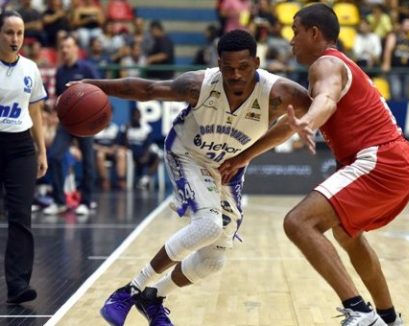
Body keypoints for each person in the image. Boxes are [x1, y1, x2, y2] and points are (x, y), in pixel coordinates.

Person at [71, 29, 311, 325]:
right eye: (228, 68)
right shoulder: (199, 85)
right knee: (208, 225)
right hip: (188, 154)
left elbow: (298, 120)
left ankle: (152, 297)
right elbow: (146, 89)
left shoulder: (279, 94)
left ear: (257, 63)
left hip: (229, 165)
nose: (235, 75)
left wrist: (246, 156)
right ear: (218, 63)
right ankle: (129, 291)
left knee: (214, 259)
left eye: (244, 68)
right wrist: (92, 84)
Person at [220, 4, 409, 326]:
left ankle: (358, 311)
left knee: (298, 222)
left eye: (295, 31)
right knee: (347, 234)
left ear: (314, 33)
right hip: (396, 161)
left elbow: (326, 100)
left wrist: (310, 123)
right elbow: (289, 126)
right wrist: (245, 156)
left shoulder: (325, 64)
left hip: (380, 160)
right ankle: (389, 318)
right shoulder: (333, 68)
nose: (291, 40)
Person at [0, 10, 47, 304]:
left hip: (21, 147)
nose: (15, 38)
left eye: (19, 33)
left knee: (21, 216)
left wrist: (41, 150)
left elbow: (35, 111)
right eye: (9, 32)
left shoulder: (31, 68)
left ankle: (17, 285)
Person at [43, 34, 99, 216]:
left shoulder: (88, 69)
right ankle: (60, 201)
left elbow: (101, 92)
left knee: (88, 161)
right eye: (62, 47)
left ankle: (87, 201)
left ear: (76, 49)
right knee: (54, 156)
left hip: (86, 123)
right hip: (67, 123)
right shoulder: (60, 72)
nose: (65, 50)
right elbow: (61, 97)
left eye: (68, 46)